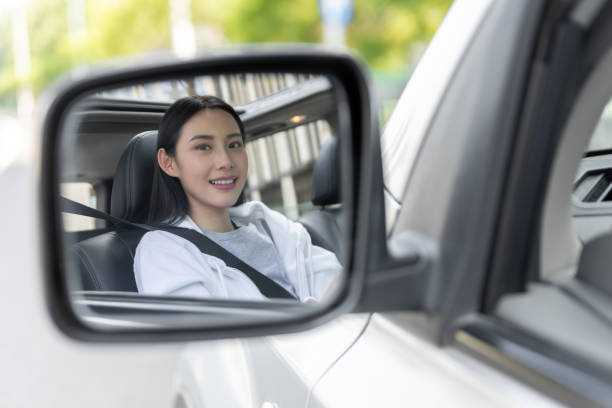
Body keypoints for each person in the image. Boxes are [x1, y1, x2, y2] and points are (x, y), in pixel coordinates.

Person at [133, 95, 341, 302]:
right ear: (169, 163)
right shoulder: (163, 251)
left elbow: (339, 288)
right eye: (203, 147)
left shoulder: (270, 225)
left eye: (234, 144)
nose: (225, 161)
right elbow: (196, 329)